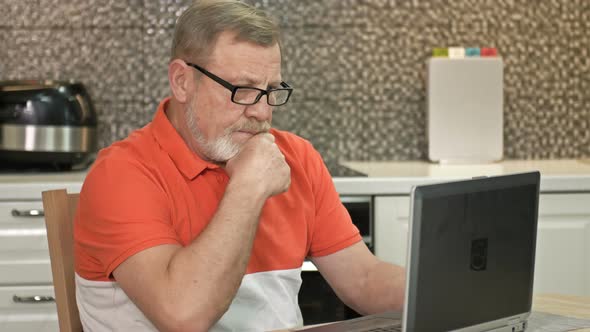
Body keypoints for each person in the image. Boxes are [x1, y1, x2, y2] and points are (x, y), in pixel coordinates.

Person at [73, 0, 405, 331]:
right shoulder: (122, 174)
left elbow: (363, 280)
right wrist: (248, 188)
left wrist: (449, 287)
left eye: (271, 90)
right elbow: (183, 316)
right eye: (243, 90)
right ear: (182, 81)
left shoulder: (296, 157)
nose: (262, 112)